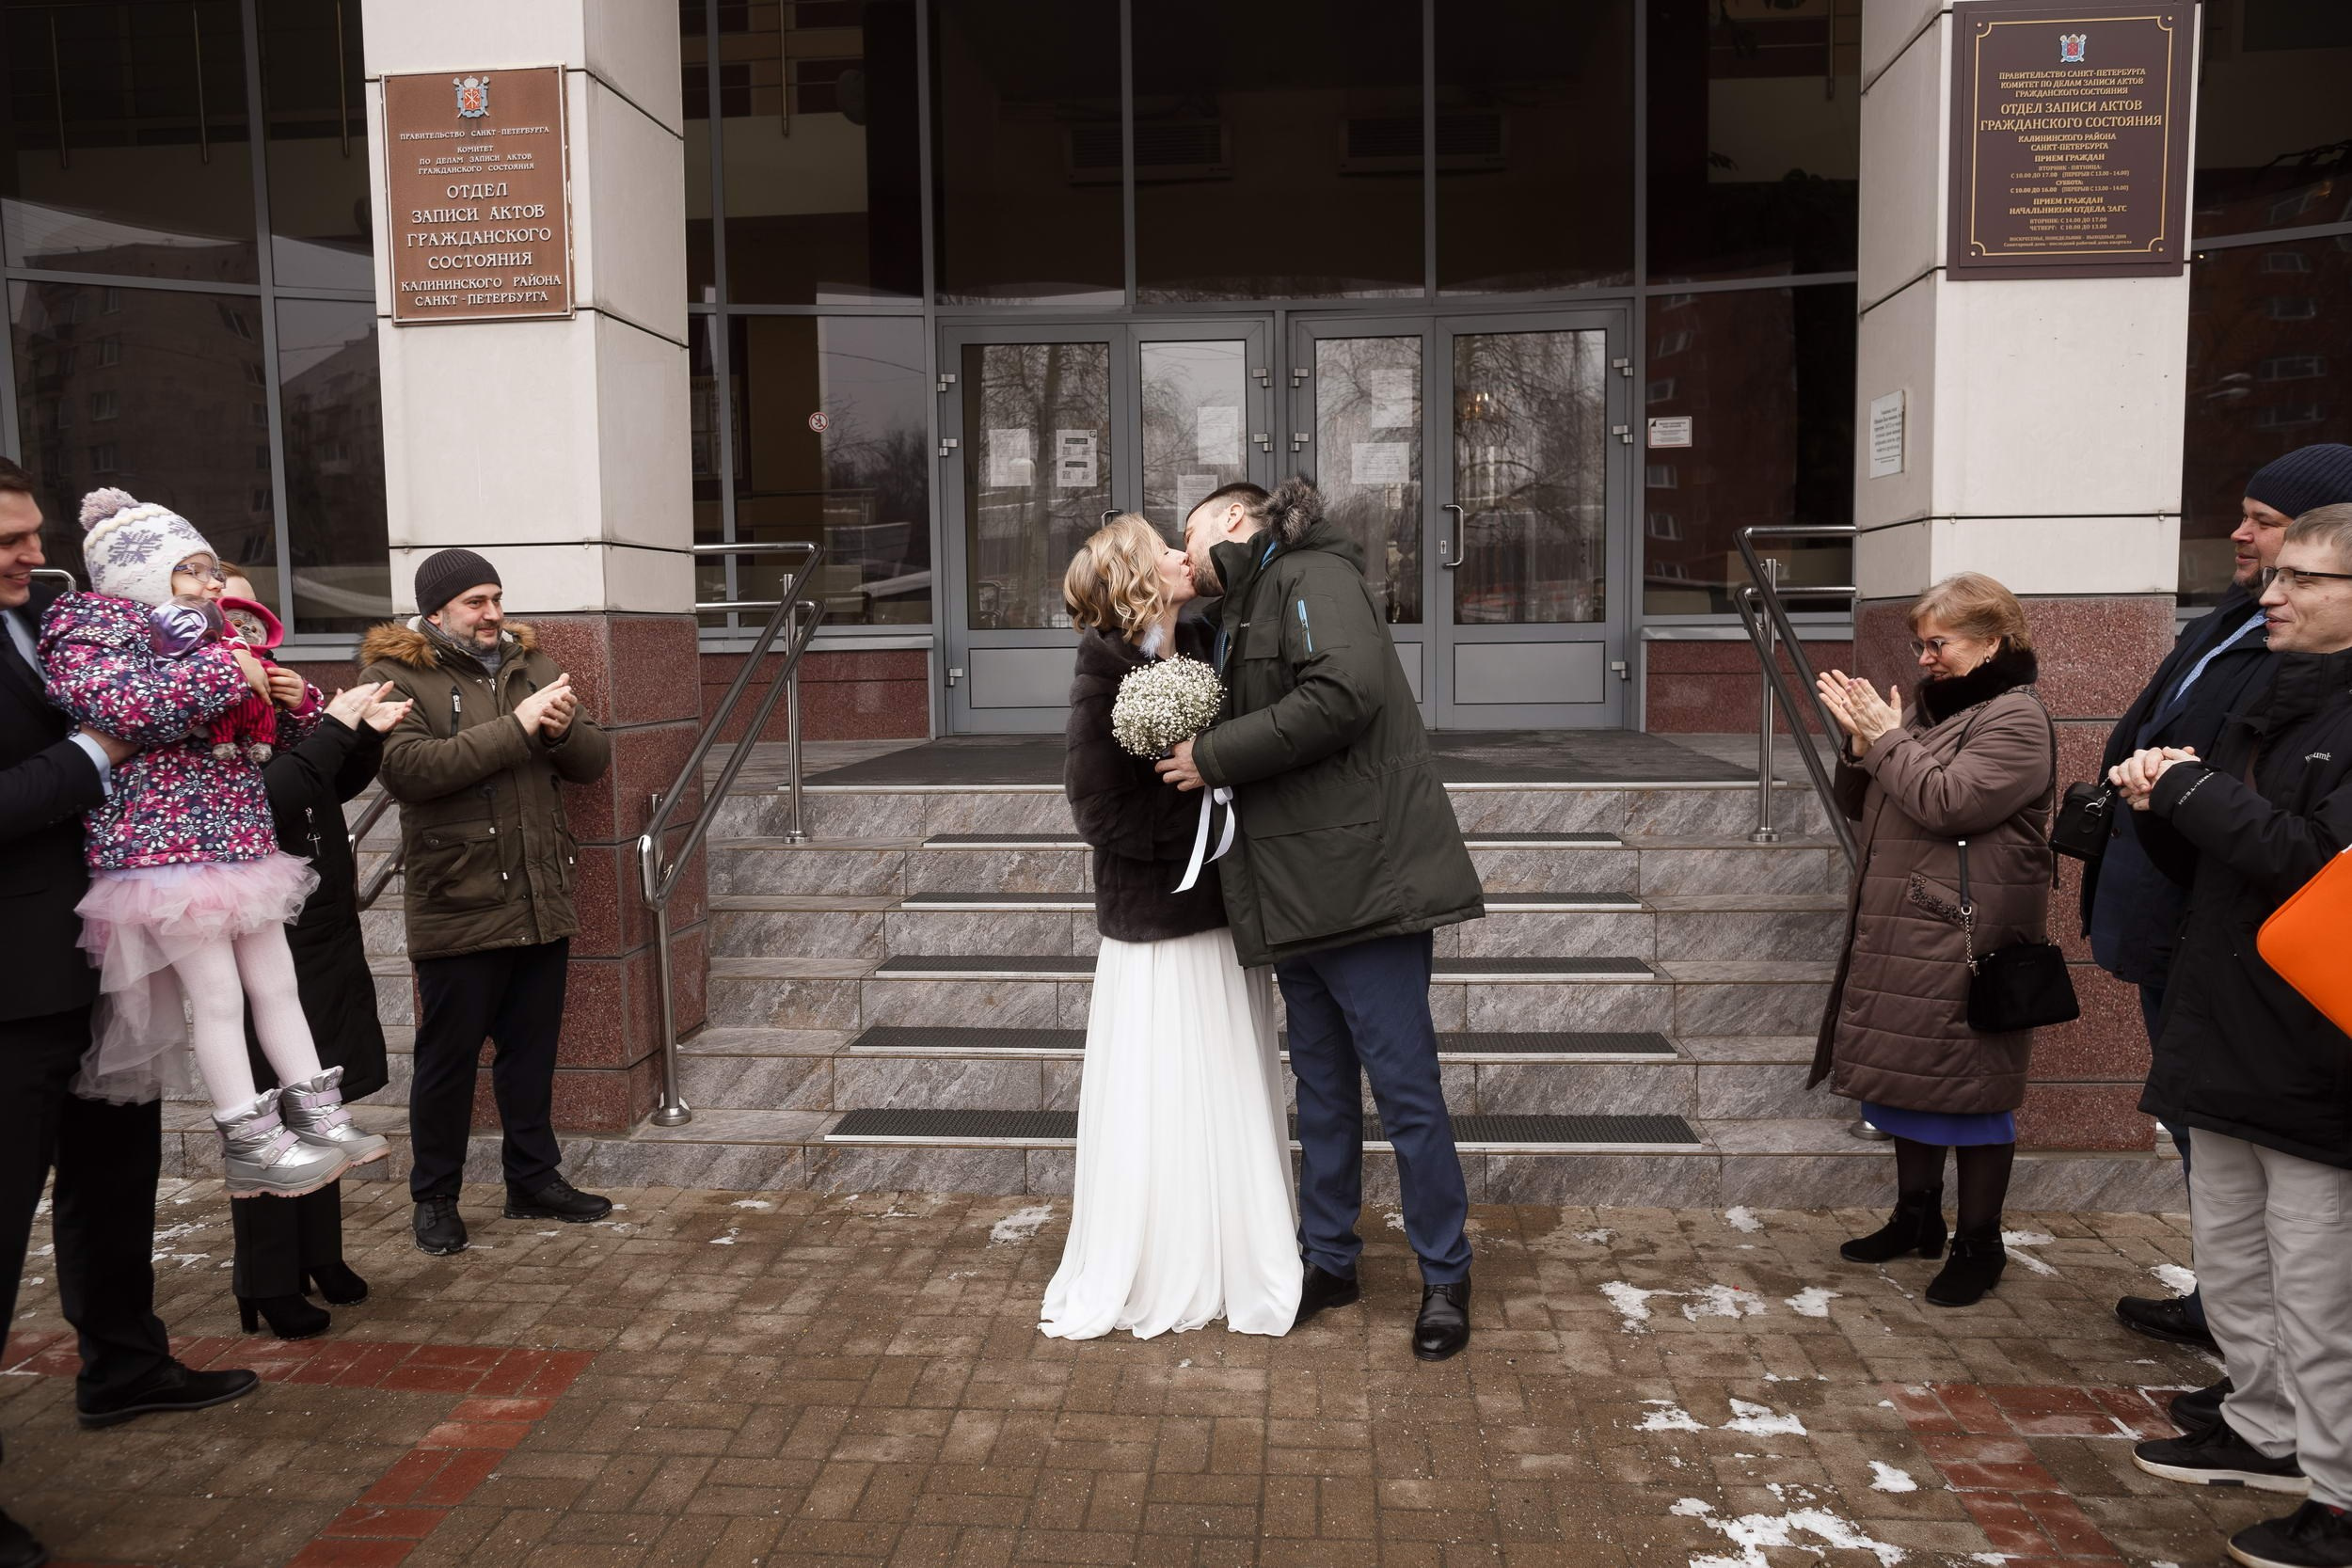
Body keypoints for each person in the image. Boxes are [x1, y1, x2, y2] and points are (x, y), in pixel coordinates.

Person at [1157, 478, 1486, 1361]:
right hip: (1301, 888)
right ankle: (1330, 1259)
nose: (1181, 551)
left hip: (1364, 887)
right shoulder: (1251, 601)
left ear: (1232, 517)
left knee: (1405, 1091)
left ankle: (1445, 1274)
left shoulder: (1311, 578)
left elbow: (1343, 694)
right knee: (1327, 1094)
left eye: (1185, 534)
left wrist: (1212, 755)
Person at [0, 459, 256, 1568]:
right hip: (10, 992)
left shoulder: (60, 614)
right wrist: (101, 751)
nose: (27, 553)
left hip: (106, 958)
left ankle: (124, 1362)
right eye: (5, 539)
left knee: (117, 1179)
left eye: (31, 533)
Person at [2120, 504, 2352, 1568]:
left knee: (2318, 1286)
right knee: (2235, 1262)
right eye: (2275, 575)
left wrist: (2193, 791)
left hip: (2313, 1056)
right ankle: (2263, 1432)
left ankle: (2341, 1494)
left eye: (2300, 578)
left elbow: (2315, 862)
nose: (2269, 592)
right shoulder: (2266, 693)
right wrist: (2154, 808)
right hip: (2225, 1029)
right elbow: (2229, 865)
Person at [40, 489, 384, 1196]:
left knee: (277, 980)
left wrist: (294, 703)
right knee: (219, 994)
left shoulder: (213, 635)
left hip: (235, 840)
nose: (212, 584)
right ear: (138, 574)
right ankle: (248, 1135)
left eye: (210, 570)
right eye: (191, 571)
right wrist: (229, 671)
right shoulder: (93, 634)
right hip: (163, 852)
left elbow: (259, 737)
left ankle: (318, 1111)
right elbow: (130, 706)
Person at [2092, 443, 2352, 1360]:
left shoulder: (2307, 668)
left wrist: (2178, 788)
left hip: (2263, 970)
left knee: (2283, 1207)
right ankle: (2240, 1342)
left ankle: (2266, 1376)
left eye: (2267, 526)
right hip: (2191, 935)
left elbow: (2289, 836)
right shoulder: (2237, 620)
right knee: (2215, 1157)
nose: (2242, 538)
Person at [1041, 515, 1301, 1340]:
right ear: (1134, 574)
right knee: (1164, 1091)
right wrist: (1193, 828)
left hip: (1218, 915)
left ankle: (1232, 1248)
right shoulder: (1103, 672)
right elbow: (1096, 808)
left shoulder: (1197, 644)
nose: (1182, 556)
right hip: (1155, 925)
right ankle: (1160, 1256)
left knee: (1223, 1079)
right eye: (1163, 547)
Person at [1809, 572, 2056, 1308]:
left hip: (1964, 940)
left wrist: (1886, 740)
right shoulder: (1930, 713)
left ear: (1993, 642)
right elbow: (1865, 803)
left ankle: (1980, 1241)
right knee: (1907, 1084)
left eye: (1939, 643)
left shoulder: (2016, 719)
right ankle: (1916, 1218)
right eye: (1920, 643)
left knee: (1972, 1096)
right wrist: (1860, 745)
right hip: (1908, 930)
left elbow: (1950, 803)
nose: (1924, 657)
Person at [358, 549, 614, 1257]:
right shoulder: (393, 675)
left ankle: (533, 1180)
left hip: (538, 892)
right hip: (460, 900)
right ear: (436, 612)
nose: (493, 613)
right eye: (475, 601)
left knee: (530, 1054)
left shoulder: (529, 663)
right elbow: (411, 771)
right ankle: (434, 1197)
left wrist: (561, 728)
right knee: (449, 1060)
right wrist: (522, 725)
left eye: (496, 597)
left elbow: (594, 760)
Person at [215, 565, 412, 1340]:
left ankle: (319, 1253)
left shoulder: (277, 696)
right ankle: (264, 1279)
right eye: (224, 614)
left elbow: (329, 784)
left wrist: (356, 732)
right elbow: (265, 799)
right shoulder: (202, 706)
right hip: (258, 927)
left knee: (320, 1094)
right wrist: (330, 729)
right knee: (268, 1105)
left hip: (319, 916)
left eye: (246, 614)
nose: (244, 633)